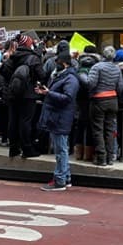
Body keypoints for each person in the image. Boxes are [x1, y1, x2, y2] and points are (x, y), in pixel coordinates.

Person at [37, 50, 80, 191]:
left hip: (60, 117)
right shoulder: (64, 76)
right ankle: (65, 177)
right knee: (61, 149)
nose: (56, 65)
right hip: (57, 116)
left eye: (58, 63)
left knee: (61, 150)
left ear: (65, 64)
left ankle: (60, 180)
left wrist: (49, 93)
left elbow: (67, 98)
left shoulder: (70, 79)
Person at [0, 35, 46, 158]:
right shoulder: (33, 58)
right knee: (25, 121)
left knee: (13, 121)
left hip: (13, 93)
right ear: (29, 44)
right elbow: (42, 75)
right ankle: (27, 148)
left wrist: (14, 80)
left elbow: (2, 72)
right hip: (28, 94)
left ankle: (13, 148)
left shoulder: (13, 57)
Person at [87, 45, 123, 166]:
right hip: (113, 100)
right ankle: (110, 158)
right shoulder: (117, 69)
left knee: (98, 129)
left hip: (98, 100)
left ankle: (101, 157)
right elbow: (120, 86)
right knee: (110, 130)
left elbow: (91, 83)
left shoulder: (97, 67)